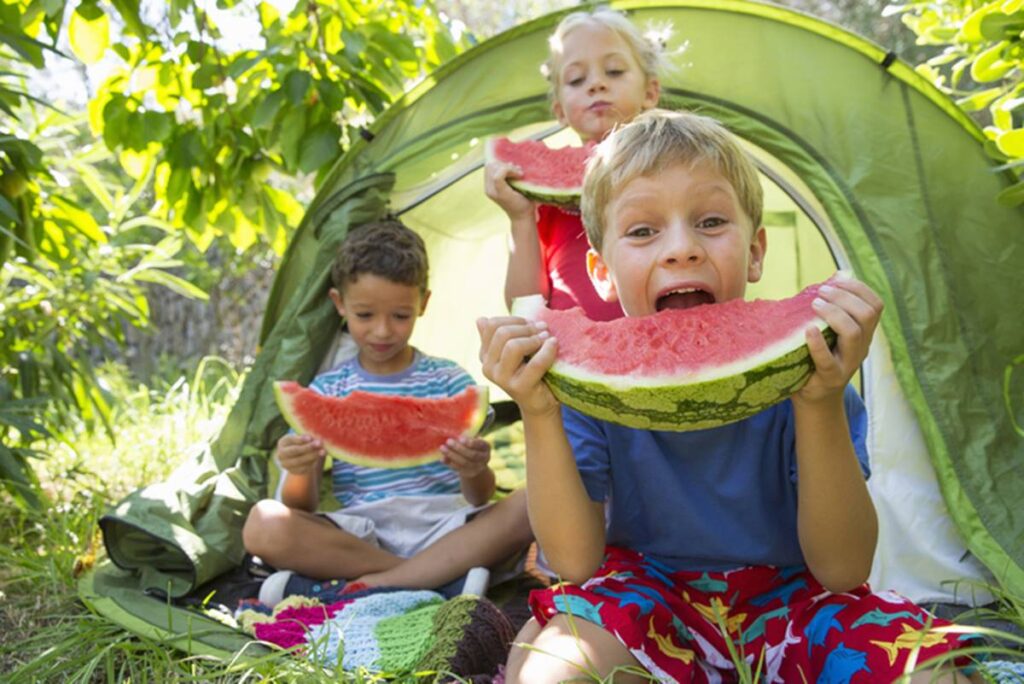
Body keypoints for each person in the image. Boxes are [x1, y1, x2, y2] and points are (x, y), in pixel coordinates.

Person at [477, 110, 980, 683]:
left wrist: (818, 403)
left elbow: (842, 569)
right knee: (555, 675)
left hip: (796, 600)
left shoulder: (811, 370)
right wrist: (540, 412)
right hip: (643, 594)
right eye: (643, 231)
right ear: (602, 273)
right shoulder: (593, 395)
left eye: (711, 221)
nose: (681, 249)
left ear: (758, 251)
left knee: (932, 676)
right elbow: (572, 562)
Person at [244, 219, 532, 602]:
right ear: (339, 304)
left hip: (444, 525)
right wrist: (298, 470)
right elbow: (301, 505)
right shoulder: (328, 390)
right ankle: (433, 581)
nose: (382, 331)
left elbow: (480, 497)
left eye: (400, 316)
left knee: (531, 503)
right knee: (264, 524)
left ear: (423, 304)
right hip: (363, 533)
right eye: (365, 315)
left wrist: (475, 469)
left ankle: (365, 587)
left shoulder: (450, 381)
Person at [485, 6, 662, 321]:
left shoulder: (674, 171)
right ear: (560, 111)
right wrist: (520, 218)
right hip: (568, 356)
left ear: (650, 91)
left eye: (615, 71)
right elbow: (524, 307)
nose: (596, 84)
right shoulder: (540, 197)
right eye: (576, 79)